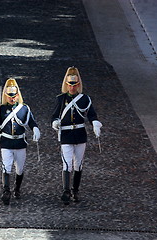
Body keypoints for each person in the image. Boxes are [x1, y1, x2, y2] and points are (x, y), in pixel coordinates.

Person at [51, 67, 102, 205]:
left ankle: (75, 190)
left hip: (80, 135)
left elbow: (91, 114)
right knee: (67, 164)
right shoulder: (61, 99)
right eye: (70, 84)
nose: (72, 87)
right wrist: (55, 122)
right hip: (66, 135)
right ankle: (66, 190)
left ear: (78, 84)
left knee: (78, 165)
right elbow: (55, 115)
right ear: (66, 84)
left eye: (74, 84)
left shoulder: (85, 99)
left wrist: (95, 123)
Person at [0, 78, 40, 205]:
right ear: (6, 96)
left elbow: (31, 121)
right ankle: (6, 191)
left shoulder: (24, 109)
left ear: (17, 95)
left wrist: (35, 129)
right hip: (6, 142)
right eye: (9, 96)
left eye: (13, 96)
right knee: (6, 166)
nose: (12, 99)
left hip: (20, 143)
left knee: (19, 169)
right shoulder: (1, 109)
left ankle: (17, 188)